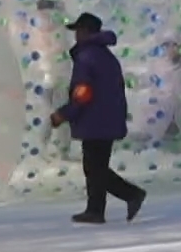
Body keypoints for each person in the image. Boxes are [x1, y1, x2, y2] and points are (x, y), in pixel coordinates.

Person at [48, 12, 147, 224]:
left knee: (95, 168)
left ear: (85, 31)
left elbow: (83, 93)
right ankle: (95, 210)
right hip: (107, 117)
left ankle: (131, 194)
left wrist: (63, 114)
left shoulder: (86, 57)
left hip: (95, 119)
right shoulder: (105, 56)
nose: (75, 36)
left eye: (78, 31)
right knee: (96, 165)